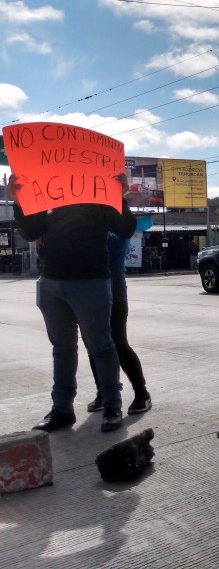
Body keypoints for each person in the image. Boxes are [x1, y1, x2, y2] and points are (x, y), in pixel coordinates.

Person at [11, 173, 136, 432]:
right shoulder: (45, 194)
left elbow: (125, 229)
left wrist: (120, 197)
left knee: (101, 346)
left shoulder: (97, 198)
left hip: (91, 282)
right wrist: (19, 200)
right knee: (62, 348)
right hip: (50, 283)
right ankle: (62, 410)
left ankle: (113, 406)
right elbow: (30, 230)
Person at [86, 233, 152, 415]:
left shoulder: (116, 219)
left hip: (113, 289)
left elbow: (115, 243)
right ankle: (102, 392)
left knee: (118, 342)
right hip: (87, 290)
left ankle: (141, 392)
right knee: (93, 346)